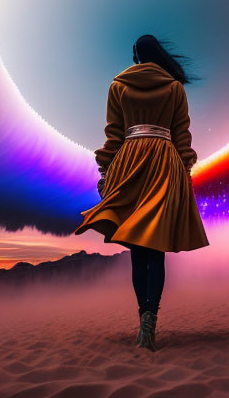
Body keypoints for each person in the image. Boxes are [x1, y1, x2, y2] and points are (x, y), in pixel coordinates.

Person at [73, 34, 209, 351]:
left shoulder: (118, 85)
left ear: (135, 55)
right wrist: (185, 169)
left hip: (130, 163)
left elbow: (114, 135)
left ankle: (142, 321)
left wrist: (106, 171)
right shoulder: (174, 87)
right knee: (156, 246)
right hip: (164, 163)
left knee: (137, 250)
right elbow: (181, 135)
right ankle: (150, 322)